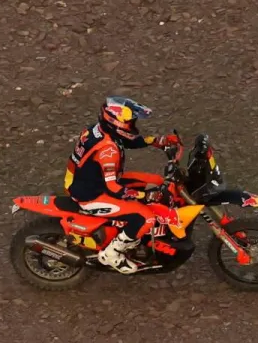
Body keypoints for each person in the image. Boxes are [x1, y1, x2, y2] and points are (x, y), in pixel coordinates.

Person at [63, 97, 182, 273]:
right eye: (130, 121)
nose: (133, 124)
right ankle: (112, 253)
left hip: (90, 181)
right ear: (115, 122)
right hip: (91, 194)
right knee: (146, 217)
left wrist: (156, 141)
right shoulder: (108, 151)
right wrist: (144, 196)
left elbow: (127, 140)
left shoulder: (99, 130)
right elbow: (114, 189)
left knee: (156, 181)